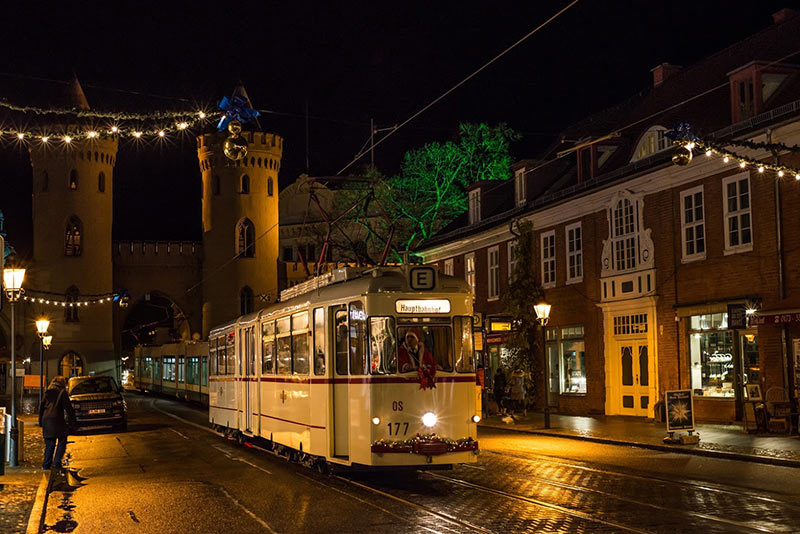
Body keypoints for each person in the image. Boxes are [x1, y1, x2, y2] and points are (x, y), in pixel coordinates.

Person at [39, 376, 76, 471]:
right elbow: (68, 409)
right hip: (57, 420)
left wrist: (40, 422)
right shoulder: (62, 393)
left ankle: (46, 464)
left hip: (46, 420)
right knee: (62, 440)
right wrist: (73, 422)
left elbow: (41, 408)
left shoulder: (47, 393)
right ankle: (56, 462)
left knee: (50, 444)